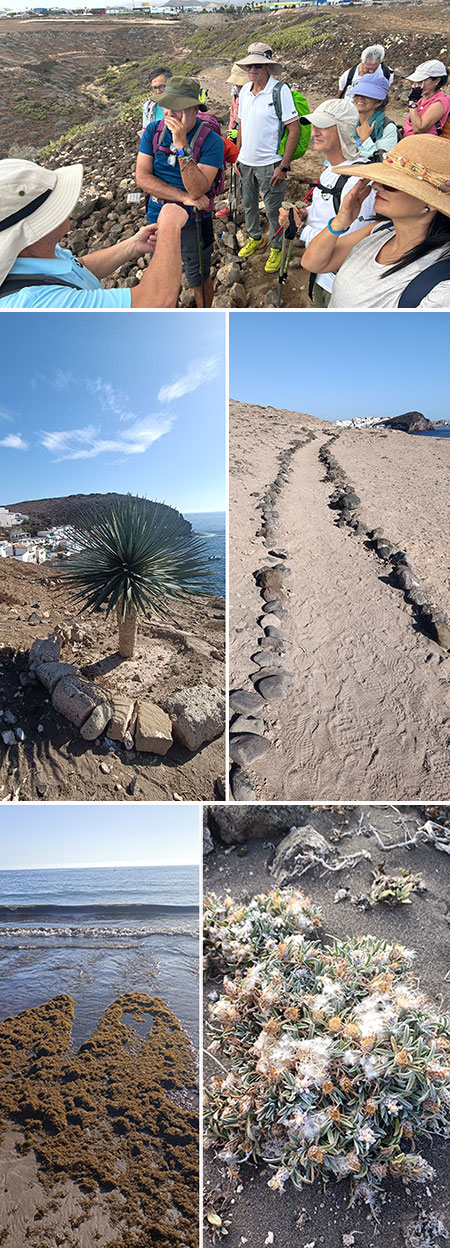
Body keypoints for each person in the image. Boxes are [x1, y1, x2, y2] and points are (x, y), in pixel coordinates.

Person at [0, 158, 187, 309]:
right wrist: (170, 224)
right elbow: (154, 302)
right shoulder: (36, 303)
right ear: (35, 230)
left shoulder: (34, 255)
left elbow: (76, 269)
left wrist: (132, 246)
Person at [300, 135, 450, 308]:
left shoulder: (441, 288)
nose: (376, 186)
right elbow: (313, 263)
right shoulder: (380, 231)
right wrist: (340, 222)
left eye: (391, 184)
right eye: (380, 179)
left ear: (430, 203)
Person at [136, 75, 224, 308]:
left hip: (195, 222)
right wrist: (183, 197)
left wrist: (182, 146)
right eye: (167, 106)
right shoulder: (153, 132)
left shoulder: (212, 142)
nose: (171, 113)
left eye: (179, 107)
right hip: (158, 217)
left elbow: (198, 189)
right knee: (162, 278)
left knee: (198, 278)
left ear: (195, 109)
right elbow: (142, 177)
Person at [278, 98, 376, 306]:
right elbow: (328, 210)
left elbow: (350, 244)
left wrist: (300, 230)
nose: (314, 133)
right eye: (314, 126)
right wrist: (307, 213)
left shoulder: (358, 181)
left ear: (342, 130)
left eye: (322, 127)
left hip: (340, 285)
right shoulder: (331, 170)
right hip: (322, 274)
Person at [234, 41, 300, 274]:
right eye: (250, 66)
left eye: (259, 65)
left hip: (270, 164)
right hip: (246, 162)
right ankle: (254, 237)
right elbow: (242, 124)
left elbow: (294, 129)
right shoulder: (244, 90)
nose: (253, 70)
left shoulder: (280, 91)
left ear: (268, 67)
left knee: (274, 210)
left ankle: (277, 246)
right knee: (249, 204)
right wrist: (237, 155)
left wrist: (283, 166)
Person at [349, 75, 398, 158]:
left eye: (366, 95)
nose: (360, 98)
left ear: (378, 102)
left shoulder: (387, 128)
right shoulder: (348, 121)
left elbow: (384, 161)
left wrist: (365, 139)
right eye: (357, 93)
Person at [404, 59, 450, 137]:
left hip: (424, 145)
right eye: (416, 81)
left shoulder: (441, 101)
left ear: (436, 81)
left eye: (421, 81)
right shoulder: (422, 99)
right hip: (409, 143)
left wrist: (412, 104)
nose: (417, 85)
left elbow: (419, 129)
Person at [142, 65, 171, 132]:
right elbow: (145, 130)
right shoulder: (149, 106)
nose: (158, 92)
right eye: (155, 88)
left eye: (161, 87)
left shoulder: (181, 105)